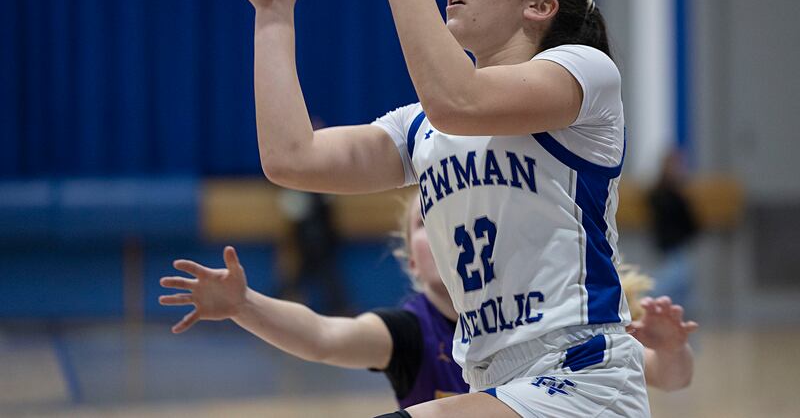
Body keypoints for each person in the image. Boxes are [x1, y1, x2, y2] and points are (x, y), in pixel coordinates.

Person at [198, 0, 648, 414]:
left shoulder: (586, 73)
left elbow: (460, 100)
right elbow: (290, 158)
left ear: (539, 6)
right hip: (492, 382)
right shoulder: (421, 128)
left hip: (580, 381)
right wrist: (273, 11)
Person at [160, 196, 697, 407]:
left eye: (457, 218)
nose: (444, 231)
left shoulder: (544, 317)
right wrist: (245, 304)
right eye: (425, 222)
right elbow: (323, 337)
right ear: (410, 260)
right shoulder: (410, 332)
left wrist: (671, 349)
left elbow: (667, 377)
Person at [647, 148, 699, 310]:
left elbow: (691, 222)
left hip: (679, 246)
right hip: (669, 246)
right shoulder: (661, 194)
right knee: (669, 284)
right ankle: (644, 305)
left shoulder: (679, 195)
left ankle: (676, 317)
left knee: (682, 287)